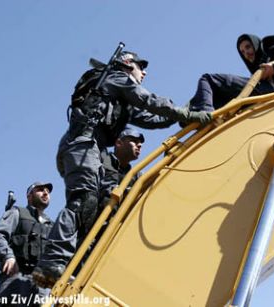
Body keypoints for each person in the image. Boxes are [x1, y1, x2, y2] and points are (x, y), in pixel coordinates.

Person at [33, 49, 212, 288]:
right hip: (82, 144)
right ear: (127, 64)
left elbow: (153, 118)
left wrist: (187, 110)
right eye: (141, 67)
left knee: (90, 208)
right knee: (83, 200)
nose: (144, 72)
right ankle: (52, 261)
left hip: (88, 148)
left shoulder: (120, 98)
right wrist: (185, 113)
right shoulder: (117, 78)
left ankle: (69, 264)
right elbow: (150, 101)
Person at [188, 33, 274, 112]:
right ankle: (190, 114)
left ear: (255, 44)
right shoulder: (257, 73)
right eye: (242, 52)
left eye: (248, 47)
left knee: (209, 79)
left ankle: (204, 113)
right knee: (217, 97)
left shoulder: (269, 45)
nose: (246, 53)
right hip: (266, 99)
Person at [0, 182, 54, 307]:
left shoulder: (53, 226)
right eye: (40, 190)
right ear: (29, 196)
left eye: (47, 191)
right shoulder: (17, 213)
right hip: (16, 278)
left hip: (42, 286)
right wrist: (8, 256)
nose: (46, 193)